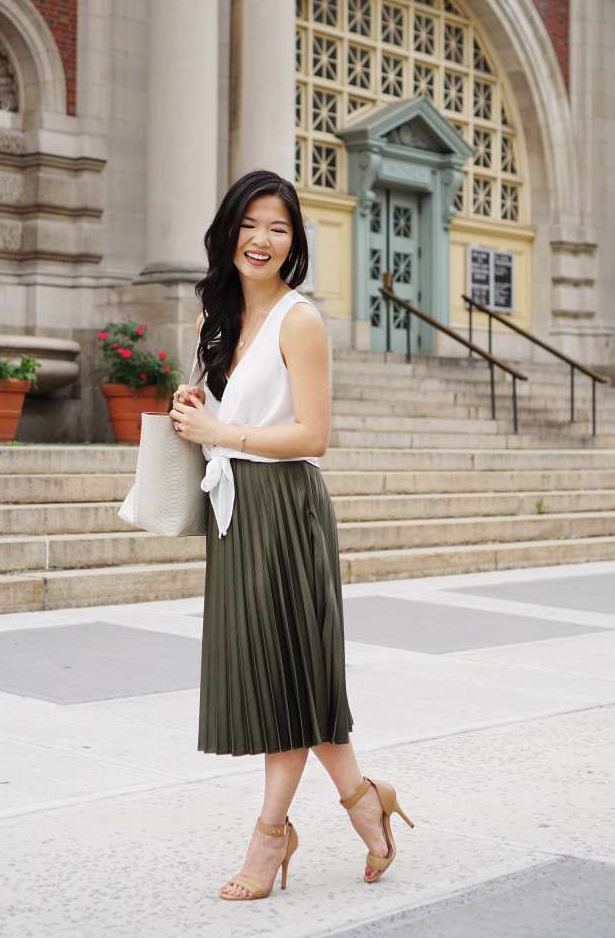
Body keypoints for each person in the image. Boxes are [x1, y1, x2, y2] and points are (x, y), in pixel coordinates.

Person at [169, 169, 413, 901]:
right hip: (236, 513)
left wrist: (222, 429)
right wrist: (195, 408)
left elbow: (314, 434)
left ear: (294, 241)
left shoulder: (299, 319)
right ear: (229, 231)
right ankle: (364, 801)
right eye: (250, 224)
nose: (262, 239)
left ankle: (269, 838)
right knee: (292, 680)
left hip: (286, 509)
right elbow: (225, 417)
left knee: (286, 681)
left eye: (278, 227)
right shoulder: (217, 320)